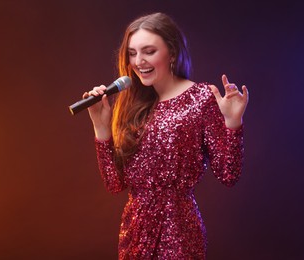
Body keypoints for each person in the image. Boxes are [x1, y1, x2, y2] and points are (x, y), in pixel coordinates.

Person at [83, 12, 249, 259]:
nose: (138, 61)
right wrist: (101, 127)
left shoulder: (201, 98)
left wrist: (233, 122)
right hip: (134, 235)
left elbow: (228, 175)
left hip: (180, 232)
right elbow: (114, 184)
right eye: (132, 53)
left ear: (172, 52)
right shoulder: (131, 104)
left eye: (149, 51)